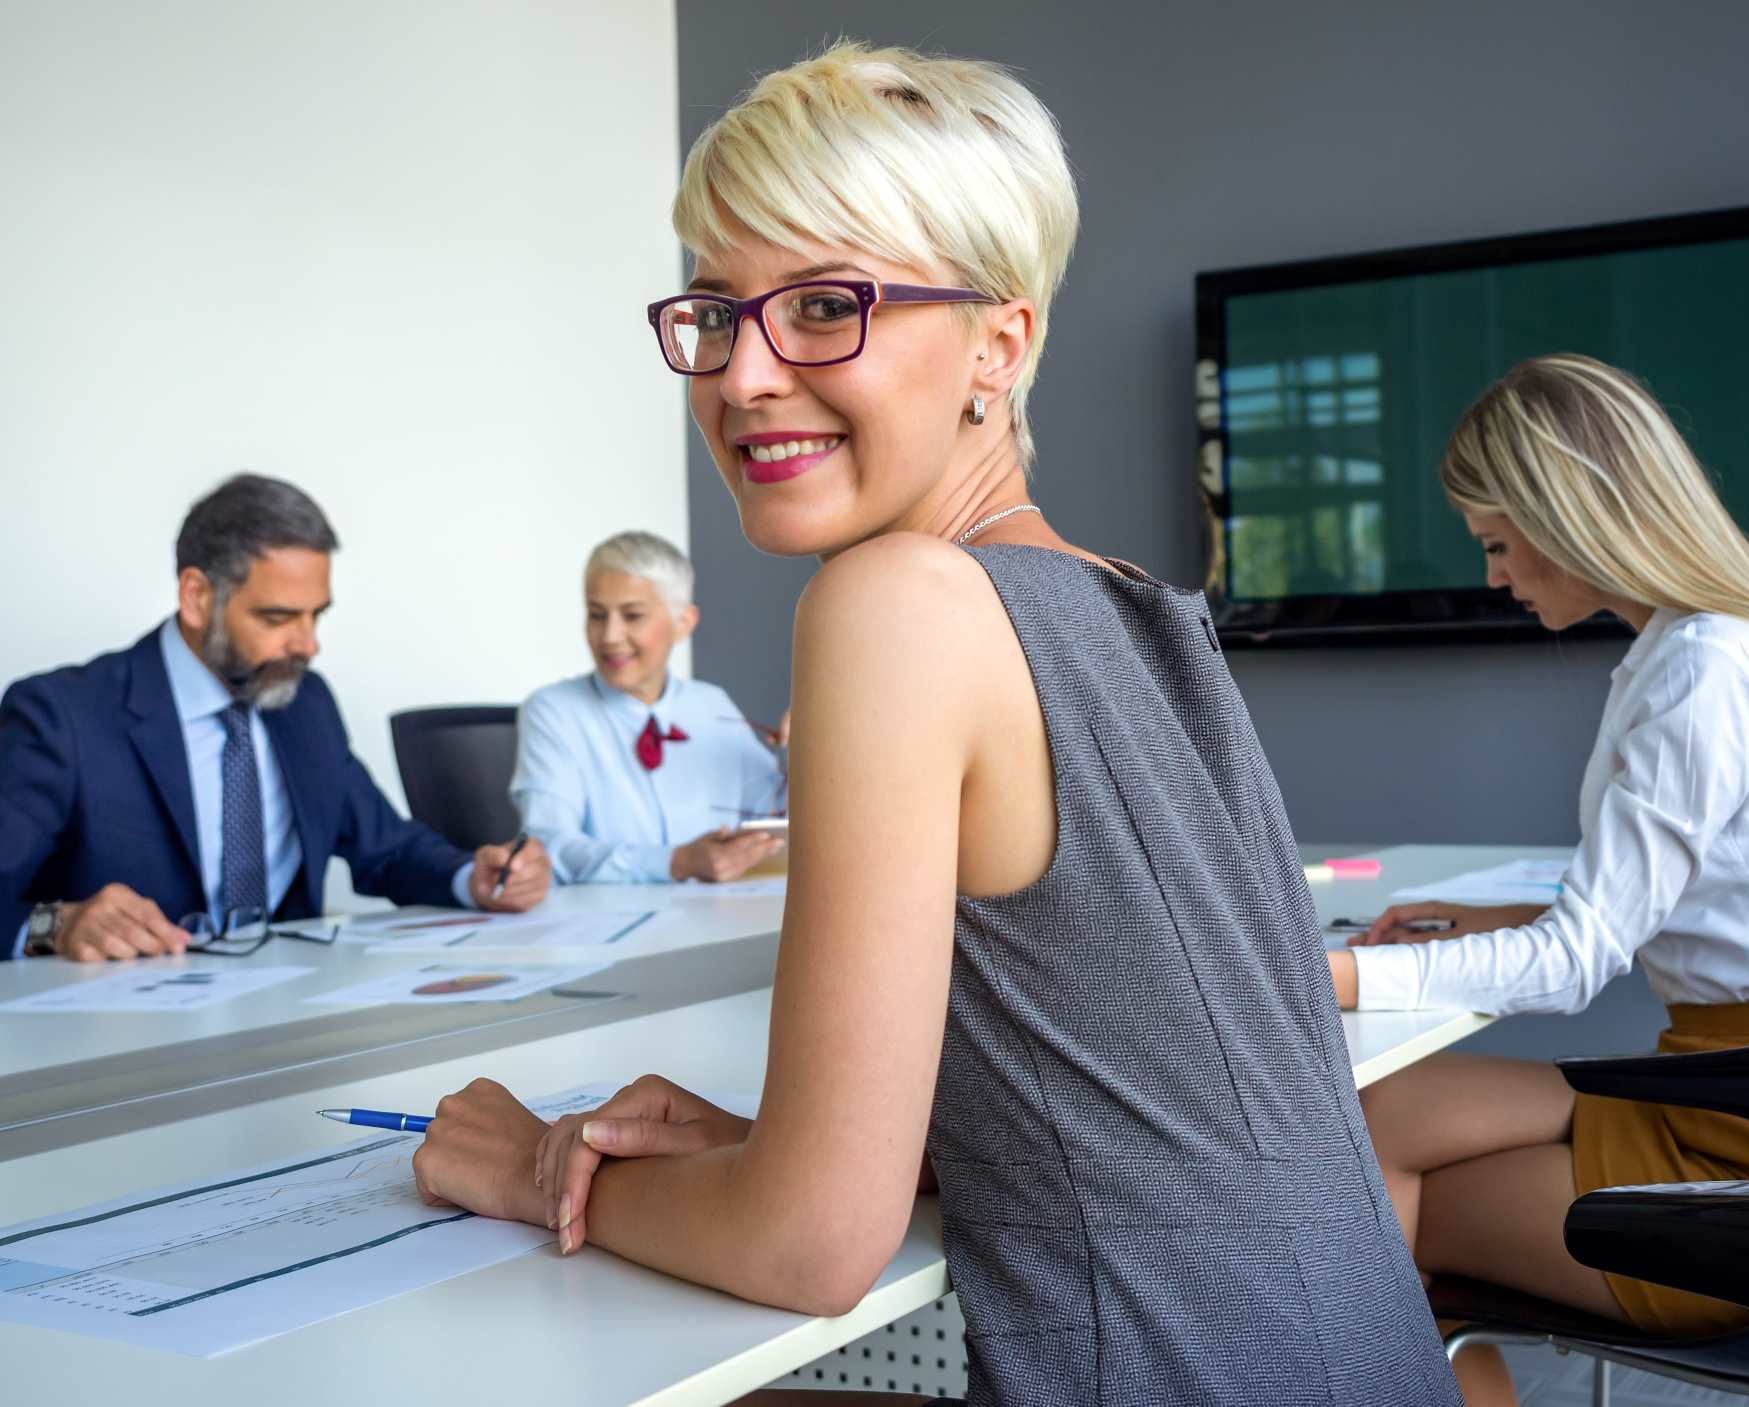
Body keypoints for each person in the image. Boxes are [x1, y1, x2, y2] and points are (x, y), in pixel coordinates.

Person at [411, 41, 1459, 1407]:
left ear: (998, 341)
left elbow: (809, 1245)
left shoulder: (894, 604)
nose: (743, 376)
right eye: (719, 315)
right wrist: (811, 1141)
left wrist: (529, 1164)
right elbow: (1172, 1095)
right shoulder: (1138, 611)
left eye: (827, 306)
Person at [1324, 354, 1749, 1406]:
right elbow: (1671, 908)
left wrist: (1329, 979)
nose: (1495, 576)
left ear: (1571, 517)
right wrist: (1481, 920)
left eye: (1499, 543)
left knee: (1359, 1211)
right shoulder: (1696, 651)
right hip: (1748, 1094)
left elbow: (1576, 965)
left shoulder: (1705, 669)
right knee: (1357, 1129)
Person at [0, 473, 550, 961]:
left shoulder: (303, 702)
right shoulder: (62, 717)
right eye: (278, 617)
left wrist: (471, 878)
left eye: (317, 615)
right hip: (115, 1038)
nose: (308, 644)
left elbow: (386, 847)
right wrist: (57, 924)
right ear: (196, 596)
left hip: (283, 1019)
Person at [511, 531, 786, 885]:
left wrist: (815, 748)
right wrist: (676, 862)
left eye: (633, 615)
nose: (609, 636)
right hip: (606, 925)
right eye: (596, 615)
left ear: (683, 623)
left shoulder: (711, 703)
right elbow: (549, 846)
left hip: (718, 917)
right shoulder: (554, 711)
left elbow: (775, 815)